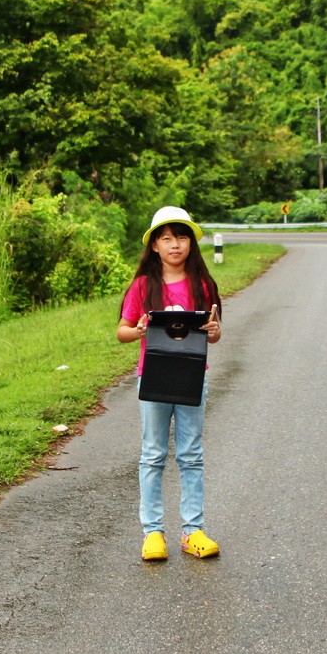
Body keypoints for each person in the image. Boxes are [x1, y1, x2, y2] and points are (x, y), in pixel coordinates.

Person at [117, 205, 223, 562]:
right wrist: (138, 331)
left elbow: (213, 334)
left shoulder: (202, 284)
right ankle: (153, 533)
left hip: (192, 376)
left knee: (191, 455)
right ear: (154, 246)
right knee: (153, 454)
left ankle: (192, 531)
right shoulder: (142, 286)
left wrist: (214, 330)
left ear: (190, 243)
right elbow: (122, 331)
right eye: (166, 238)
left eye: (181, 237)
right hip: (154, 376)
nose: (174, 244)